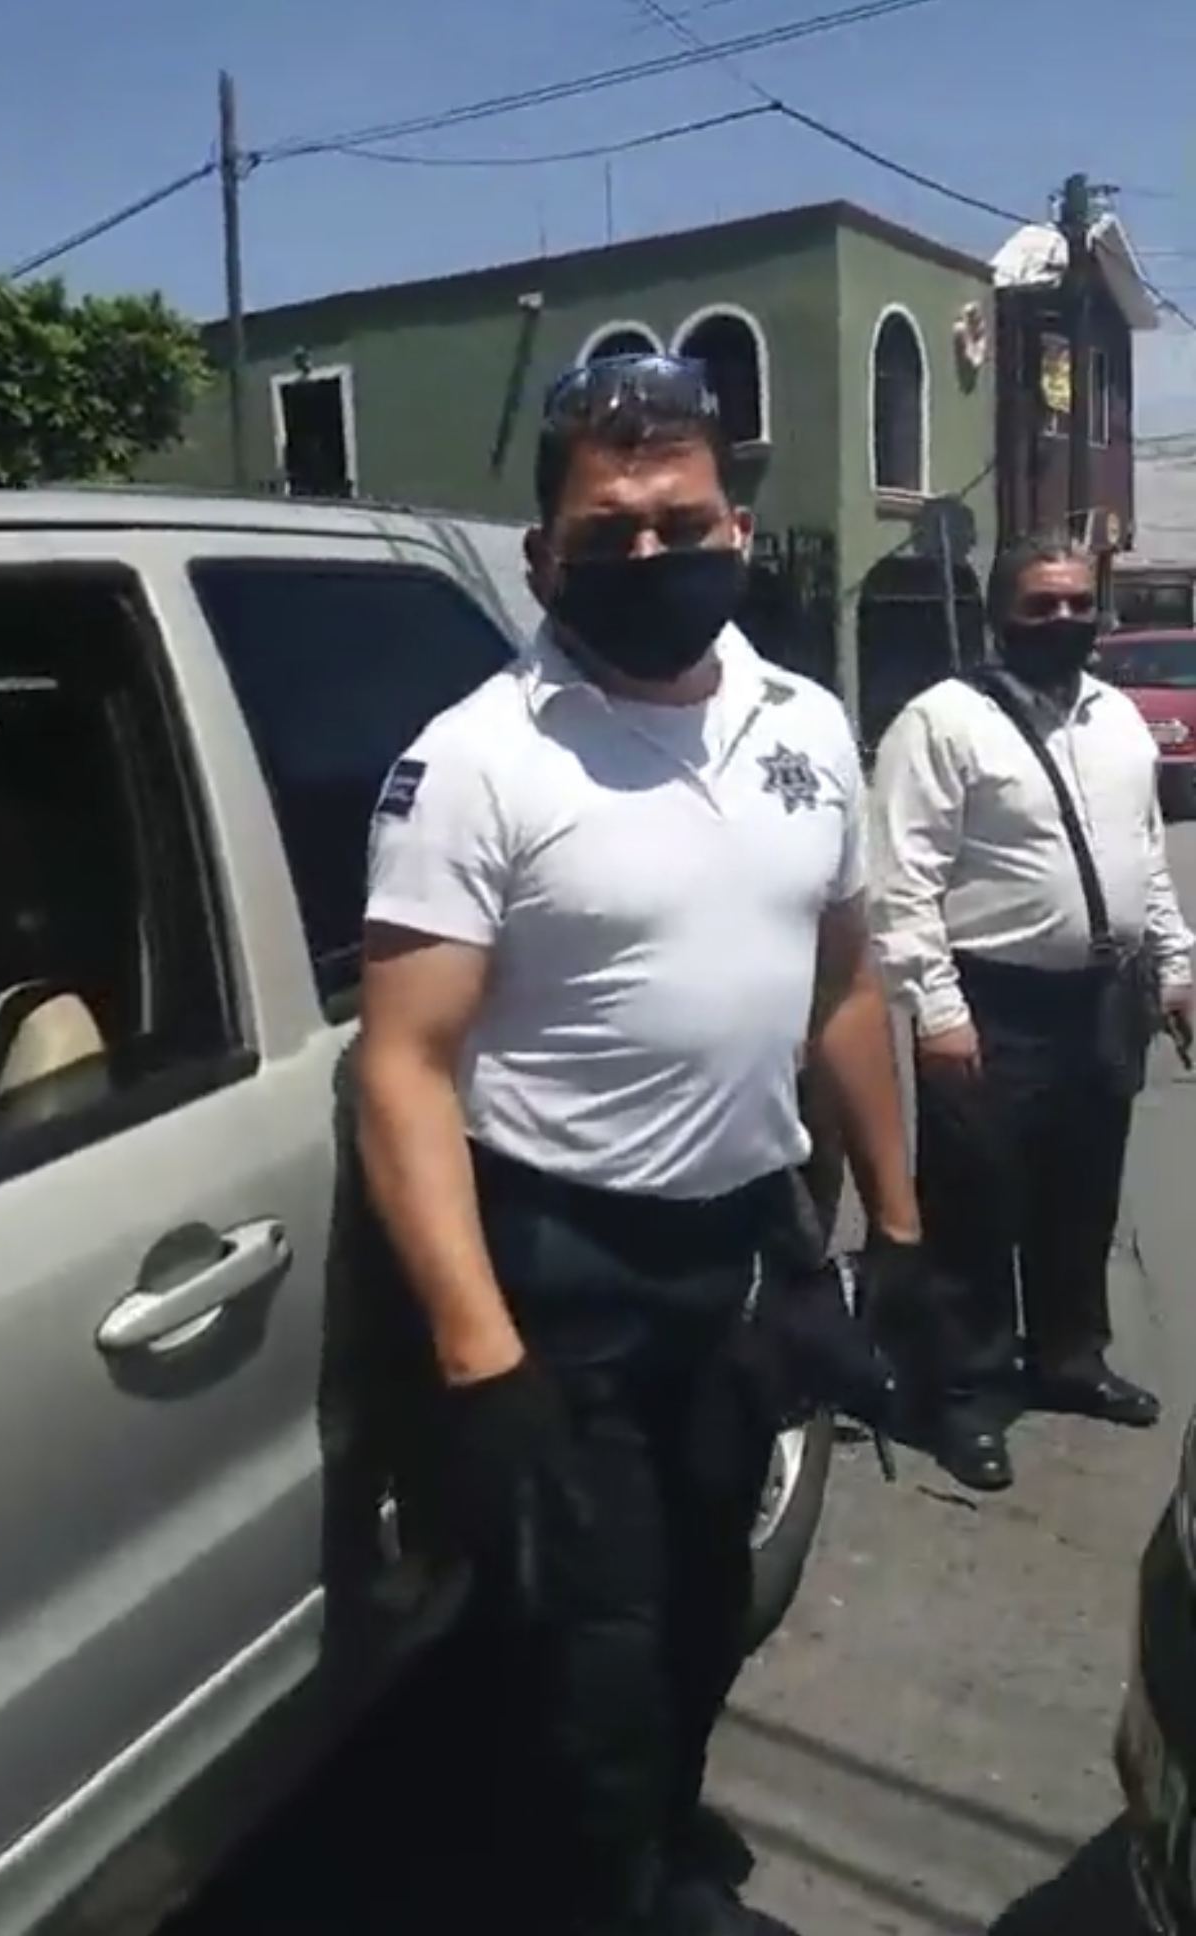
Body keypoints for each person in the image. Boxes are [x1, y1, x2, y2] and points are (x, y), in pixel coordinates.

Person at [356, 351, 921, 1936]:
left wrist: (896, 1225)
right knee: (589, 1647)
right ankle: (607, 1894)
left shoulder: (807, 722)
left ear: (736, 527)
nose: (652, 555)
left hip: (738, 1247)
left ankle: (660, 1841)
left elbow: (842, 989)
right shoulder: (477, 760)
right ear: (544, 559)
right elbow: (401, 1068)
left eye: (681, 523)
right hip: (562, 1262)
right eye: (609, 535)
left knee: (700, 1593)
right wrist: (479, 1355)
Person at [869, 534, 1193, 1494]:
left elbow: (1145, 857)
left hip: (1103, 997)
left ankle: (1068, 1356)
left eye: (1078, 603)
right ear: (1001, 615)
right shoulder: (943, 722)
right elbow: (902, 884)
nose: (1064, 620)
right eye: (1042, 604)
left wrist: (1175, 966)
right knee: (975, 1204)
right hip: (990, 1000)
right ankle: (964, 1393)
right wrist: (936, 1010)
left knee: (1081, 1191)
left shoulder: (1117, 719)